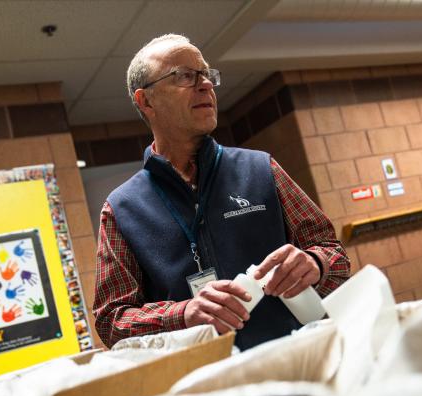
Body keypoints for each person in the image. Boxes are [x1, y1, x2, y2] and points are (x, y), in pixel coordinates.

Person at [92, 34, 350, 351]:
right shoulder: (121, 209)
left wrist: (315, 263)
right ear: (146, 101)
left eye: (207, 75)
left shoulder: (261, 168)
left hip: (302, 359)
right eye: (185, 76)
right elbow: (111, 322)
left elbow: (334, 254)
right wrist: (183, 313)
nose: (206, 85)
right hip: (209, 384)